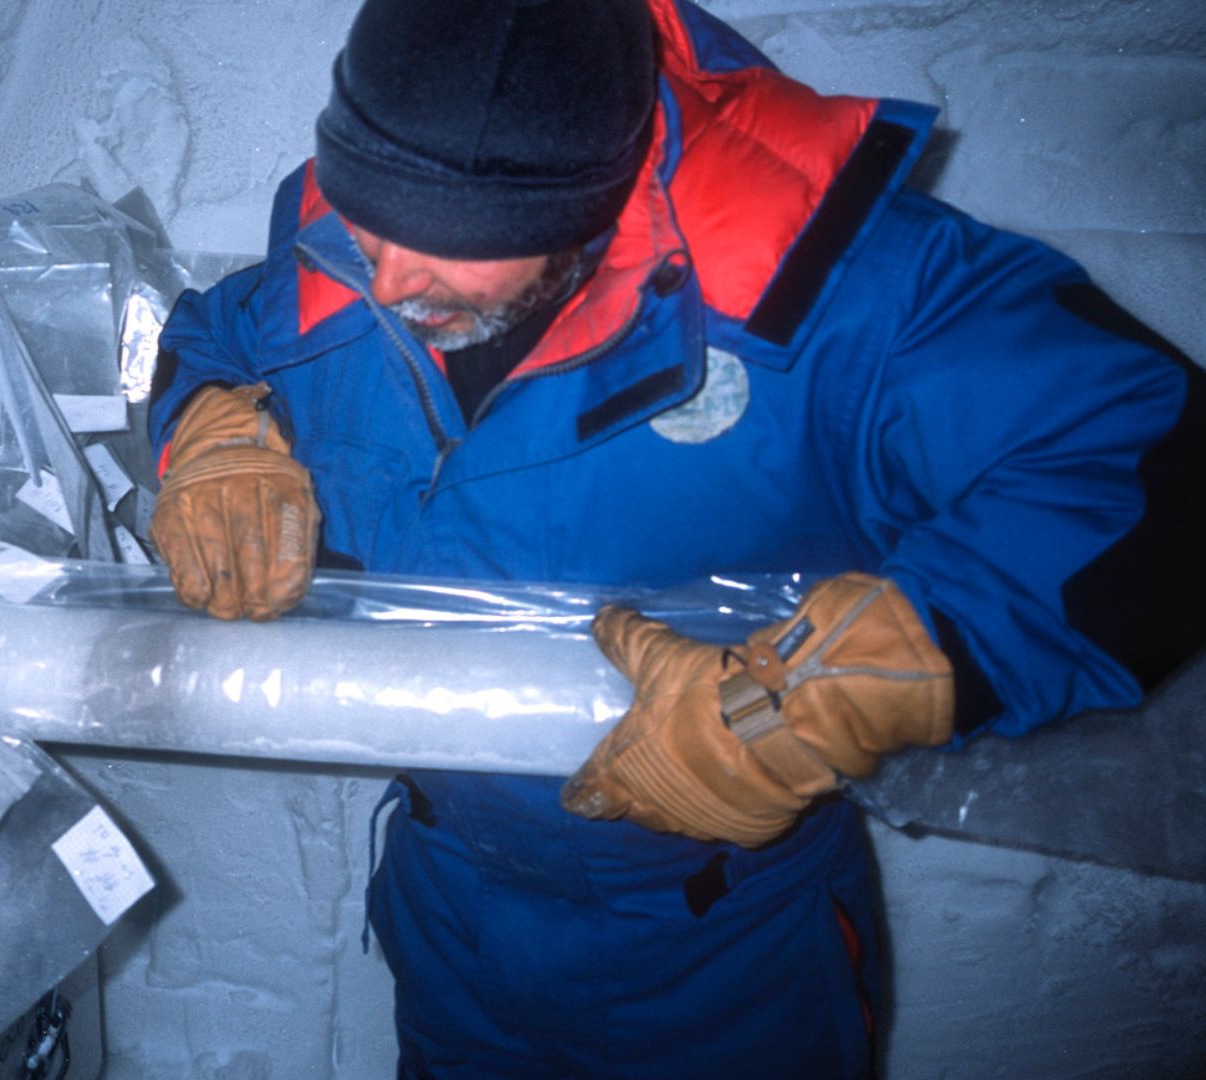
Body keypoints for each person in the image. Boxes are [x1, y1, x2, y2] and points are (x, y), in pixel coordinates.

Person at [144, 0, 1203, 1074]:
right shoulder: (342, 247)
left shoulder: (843, 293)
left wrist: (844, 688)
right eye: (370, 223)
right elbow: (219, 332)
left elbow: (1157, 471)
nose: (385, 285)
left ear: (593, 205)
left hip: (721, 949)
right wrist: (212, 430)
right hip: (450, 912)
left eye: (457, 251)